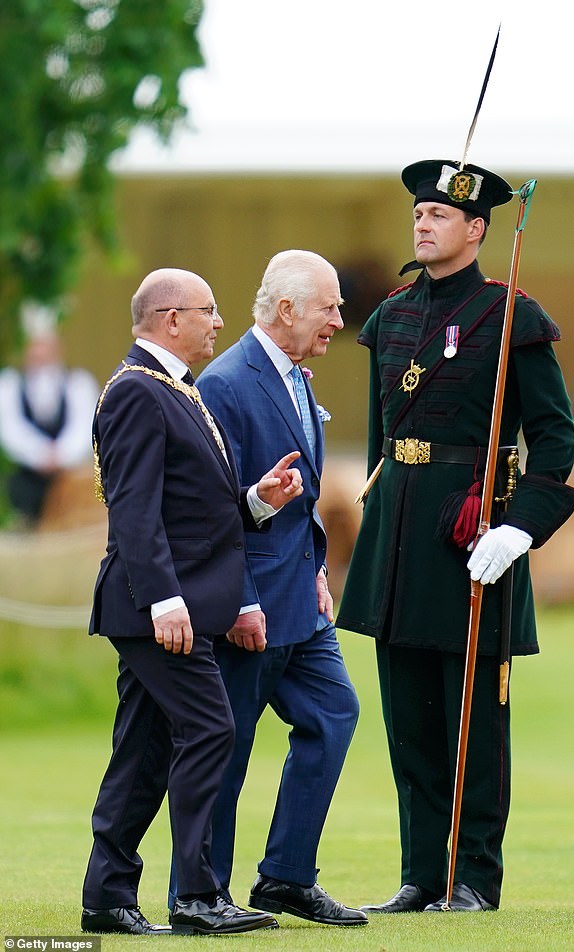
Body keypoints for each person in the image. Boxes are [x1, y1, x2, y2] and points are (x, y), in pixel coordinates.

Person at [337, 160, 574, 913]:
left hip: (471, 535)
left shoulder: (512, 317)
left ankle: (473, 878)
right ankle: (420, 874)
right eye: (419, 211)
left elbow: (555, 438)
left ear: (476, 230)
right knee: (407, 717)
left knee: (473, 720)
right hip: (398, 531)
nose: (423, 221)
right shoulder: (393, 317)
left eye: (440, 214)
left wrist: (519, 529)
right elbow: (384, 439)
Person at [81, 267, 304, 937]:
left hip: (174, 605)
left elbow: (190, 513)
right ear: (170, 319)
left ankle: (107, 899)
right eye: (208, 311)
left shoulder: (174, 391)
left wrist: (256, 503)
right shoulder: (138, 394)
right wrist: (164, 601)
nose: (218, 322)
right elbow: (135, 512)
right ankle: (198, 896)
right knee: (212, 730)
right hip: (156, 610)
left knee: (144, 751)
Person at [169, 250, 367, 927]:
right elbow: (214, 510)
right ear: (286, 310)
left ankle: (285, 877)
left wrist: (316, 569)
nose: (340, 319)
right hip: (247, 608)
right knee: (227, 747)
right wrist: (242, 598)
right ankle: (201, 894)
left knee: (334, 715)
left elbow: (296, 495)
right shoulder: (225, 384)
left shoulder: (294, 378)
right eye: (330, 307)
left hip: (302, 607)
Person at [0, 329, 99, 524]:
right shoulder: (9, 384)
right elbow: (11, 429)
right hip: (27, 478)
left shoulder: (79, 383)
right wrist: (40, 455)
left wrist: (60, 455)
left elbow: (84, 427)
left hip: (70, 477)